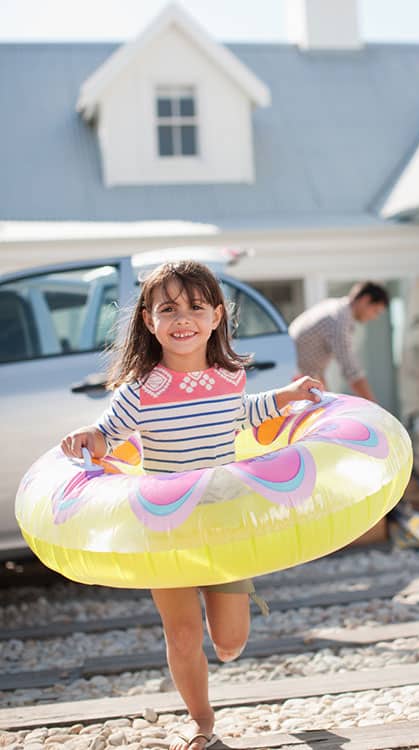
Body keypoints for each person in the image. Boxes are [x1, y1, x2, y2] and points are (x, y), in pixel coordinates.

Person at [60, 261, 322, 750]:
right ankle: (202, 722)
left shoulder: (228, 378)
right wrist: (88, 437)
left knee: (229, 642)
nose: (183, 318)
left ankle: (225, 646)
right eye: (168, 308)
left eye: (196, 307)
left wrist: (285, 397)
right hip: (165, 525)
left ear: (218, 316)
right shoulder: (141, 391)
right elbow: (108, 434)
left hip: (223, 522)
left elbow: (238, 416)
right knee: (182, 635)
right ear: (148, 321)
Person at [288, 281, 389, 402]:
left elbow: (314, 366)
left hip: (301, 377)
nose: (374, 317)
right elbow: (351, 371)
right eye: (375, 311)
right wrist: (375, 407)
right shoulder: (339, 320)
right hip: (293, 379)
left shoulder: (335, 307)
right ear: (365, 300)